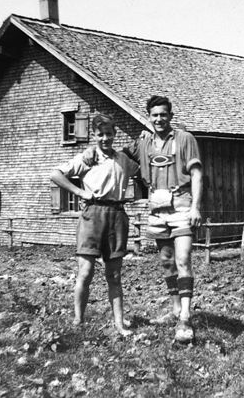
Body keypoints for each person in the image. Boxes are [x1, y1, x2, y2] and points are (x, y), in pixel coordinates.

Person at [84, 96, 203, 342]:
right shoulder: (143, 142)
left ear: (170, 115)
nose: (159, 119)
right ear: (148, 116)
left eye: (163, 114)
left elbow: (197, 174)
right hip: (157, 206)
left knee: (183, 259)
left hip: (181, 203)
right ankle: (174, 309)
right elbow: (114, 154)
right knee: (167, 261)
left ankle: (186, 318)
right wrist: (91, 150)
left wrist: (195, 208)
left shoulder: (184, 139)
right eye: (154, 115)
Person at [50, 114, 139, 336]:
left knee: (115, 275)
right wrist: (79, 191)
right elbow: (56, 174)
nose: (105, 138)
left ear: (115, 134)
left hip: (117, 215)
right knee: (86, 271)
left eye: (109, 134)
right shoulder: (87, 157)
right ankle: (78, 321)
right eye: (100, 135)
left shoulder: (124, 160)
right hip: (92, 213)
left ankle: (119, 323)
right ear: (94, 136)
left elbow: (143, 152)